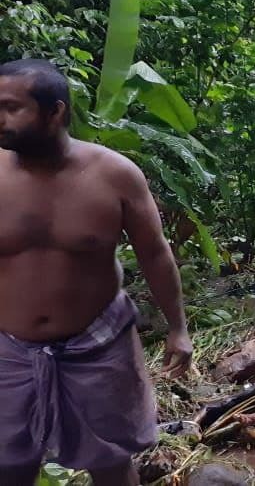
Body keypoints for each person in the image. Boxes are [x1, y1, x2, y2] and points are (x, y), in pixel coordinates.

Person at [0, 59, 193, 486]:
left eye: (12, 107)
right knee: (7, 465)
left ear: (56, 112)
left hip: (99, 345)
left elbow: (155, 254)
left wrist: (177, 329)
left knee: (111, 461)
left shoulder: (114, 175)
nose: (0, 119)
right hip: (8, 350)